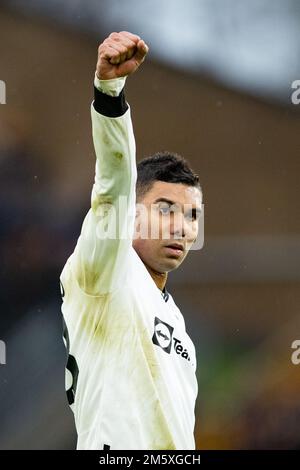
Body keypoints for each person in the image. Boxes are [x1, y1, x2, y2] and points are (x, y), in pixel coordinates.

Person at [60, 31, 203, 450]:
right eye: (165, 209)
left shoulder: (179, 328)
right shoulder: (105, 271)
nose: (181, 226)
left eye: (192, 214)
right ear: (130, 214)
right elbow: (113, 181)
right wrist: (109, 92)